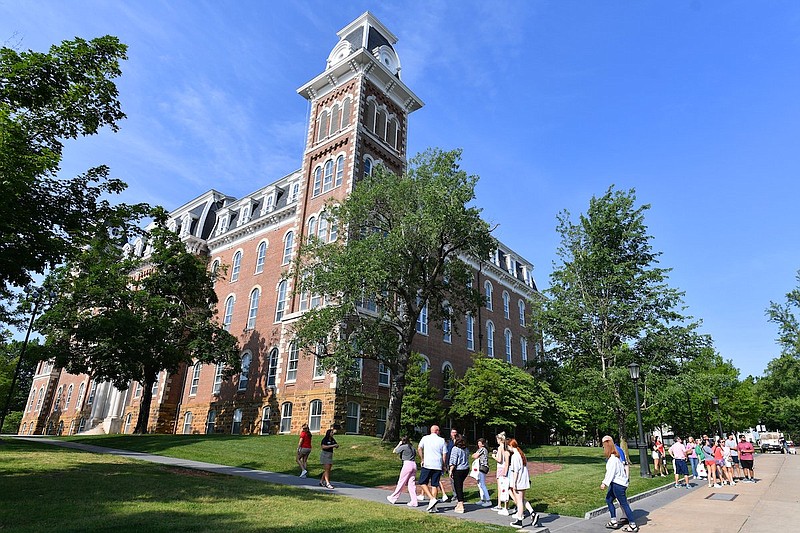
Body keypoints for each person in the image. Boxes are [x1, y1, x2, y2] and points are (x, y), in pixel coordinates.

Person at [601, 437, 638, 532]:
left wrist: (604, 483)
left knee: (624, 503)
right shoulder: (615, 458)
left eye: (604, 447)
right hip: (616, 483)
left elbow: (610, 473)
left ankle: (632, 524)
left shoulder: (613, 460)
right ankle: (613, 521)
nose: (603, 449)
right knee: (609, 500)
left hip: (618, 485)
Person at [507, 438, 537, 529]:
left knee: (519, 501)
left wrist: (514, 484)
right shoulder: (521, 454)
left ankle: (519, 520)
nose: (508, 448)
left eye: (508, 446)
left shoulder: (515, 456)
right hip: (524, 480)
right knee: (522, 499)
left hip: (519, 481)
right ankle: (532, 513)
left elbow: (515, 472)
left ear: (511, 446)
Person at [417, 425, 447, 513]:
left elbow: (419, 448)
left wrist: (422, 458)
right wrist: (443, 464)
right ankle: (433, 506)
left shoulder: (425, 438)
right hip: (437, 464)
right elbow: (444, 454)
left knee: (422, 482)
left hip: (428, 463)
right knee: (435, 484)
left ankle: (431, 498)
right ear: (437, 431)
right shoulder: (441, 440)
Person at [387, 435, 419, 507]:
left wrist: (399, 444)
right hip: (414, 464)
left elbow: (394, 451)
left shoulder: (404, 446)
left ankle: (393, 498)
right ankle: (414, 501)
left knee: (401, 482)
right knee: (411, 484)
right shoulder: (412, 447)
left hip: (407, 464)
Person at [448, 435, 470, 513]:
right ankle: (459, 503)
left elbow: (453, 461)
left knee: (458, 487)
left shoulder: (455, 449)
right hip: (466, 469)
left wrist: (450, 470)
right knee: (460, 485)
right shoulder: (466, 449)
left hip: (458, 469)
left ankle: (461, 504)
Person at [491, 431, 512, 515]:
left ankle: (499, 504)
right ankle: (506, 505)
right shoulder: (506, 447)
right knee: (506, 487)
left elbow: (499, 459)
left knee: (500, 487)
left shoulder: (500, 447)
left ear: (499, 439)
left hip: (500, 468)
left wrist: (494, 456)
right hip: (505, 467)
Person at [471, 437, 492, 507]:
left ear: (483, 444)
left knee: (482, 484)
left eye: (480, 443)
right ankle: (482, 499)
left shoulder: (482, 449)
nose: (478, 444)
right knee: (479, 484)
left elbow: (475, 456)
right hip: (481, 467)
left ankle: (488, 500)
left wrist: (474, 455)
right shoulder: (481, 449)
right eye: (478, 442)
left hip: (482, 467)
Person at [319, 424, 340, 489]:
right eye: (331, 432)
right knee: (327, 469)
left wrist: (336, 445)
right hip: (325, 454)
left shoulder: (332, 439)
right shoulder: (325, 439)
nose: (332, 433)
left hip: (330, 455)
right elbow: (323, 447)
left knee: (328, 469)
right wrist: (332, 446)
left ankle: (321, 481)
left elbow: (335, 444)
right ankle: (328, 483)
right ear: (328, 433)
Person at [441, 428, 458, 502]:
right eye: (453, 432)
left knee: (456, 480)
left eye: (455, 432)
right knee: (451, 480)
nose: (454, 434)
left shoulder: (458, 442)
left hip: (457, 464)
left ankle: (457, 495)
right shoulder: (449, 442)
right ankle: (455, 494)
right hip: (449, 463)